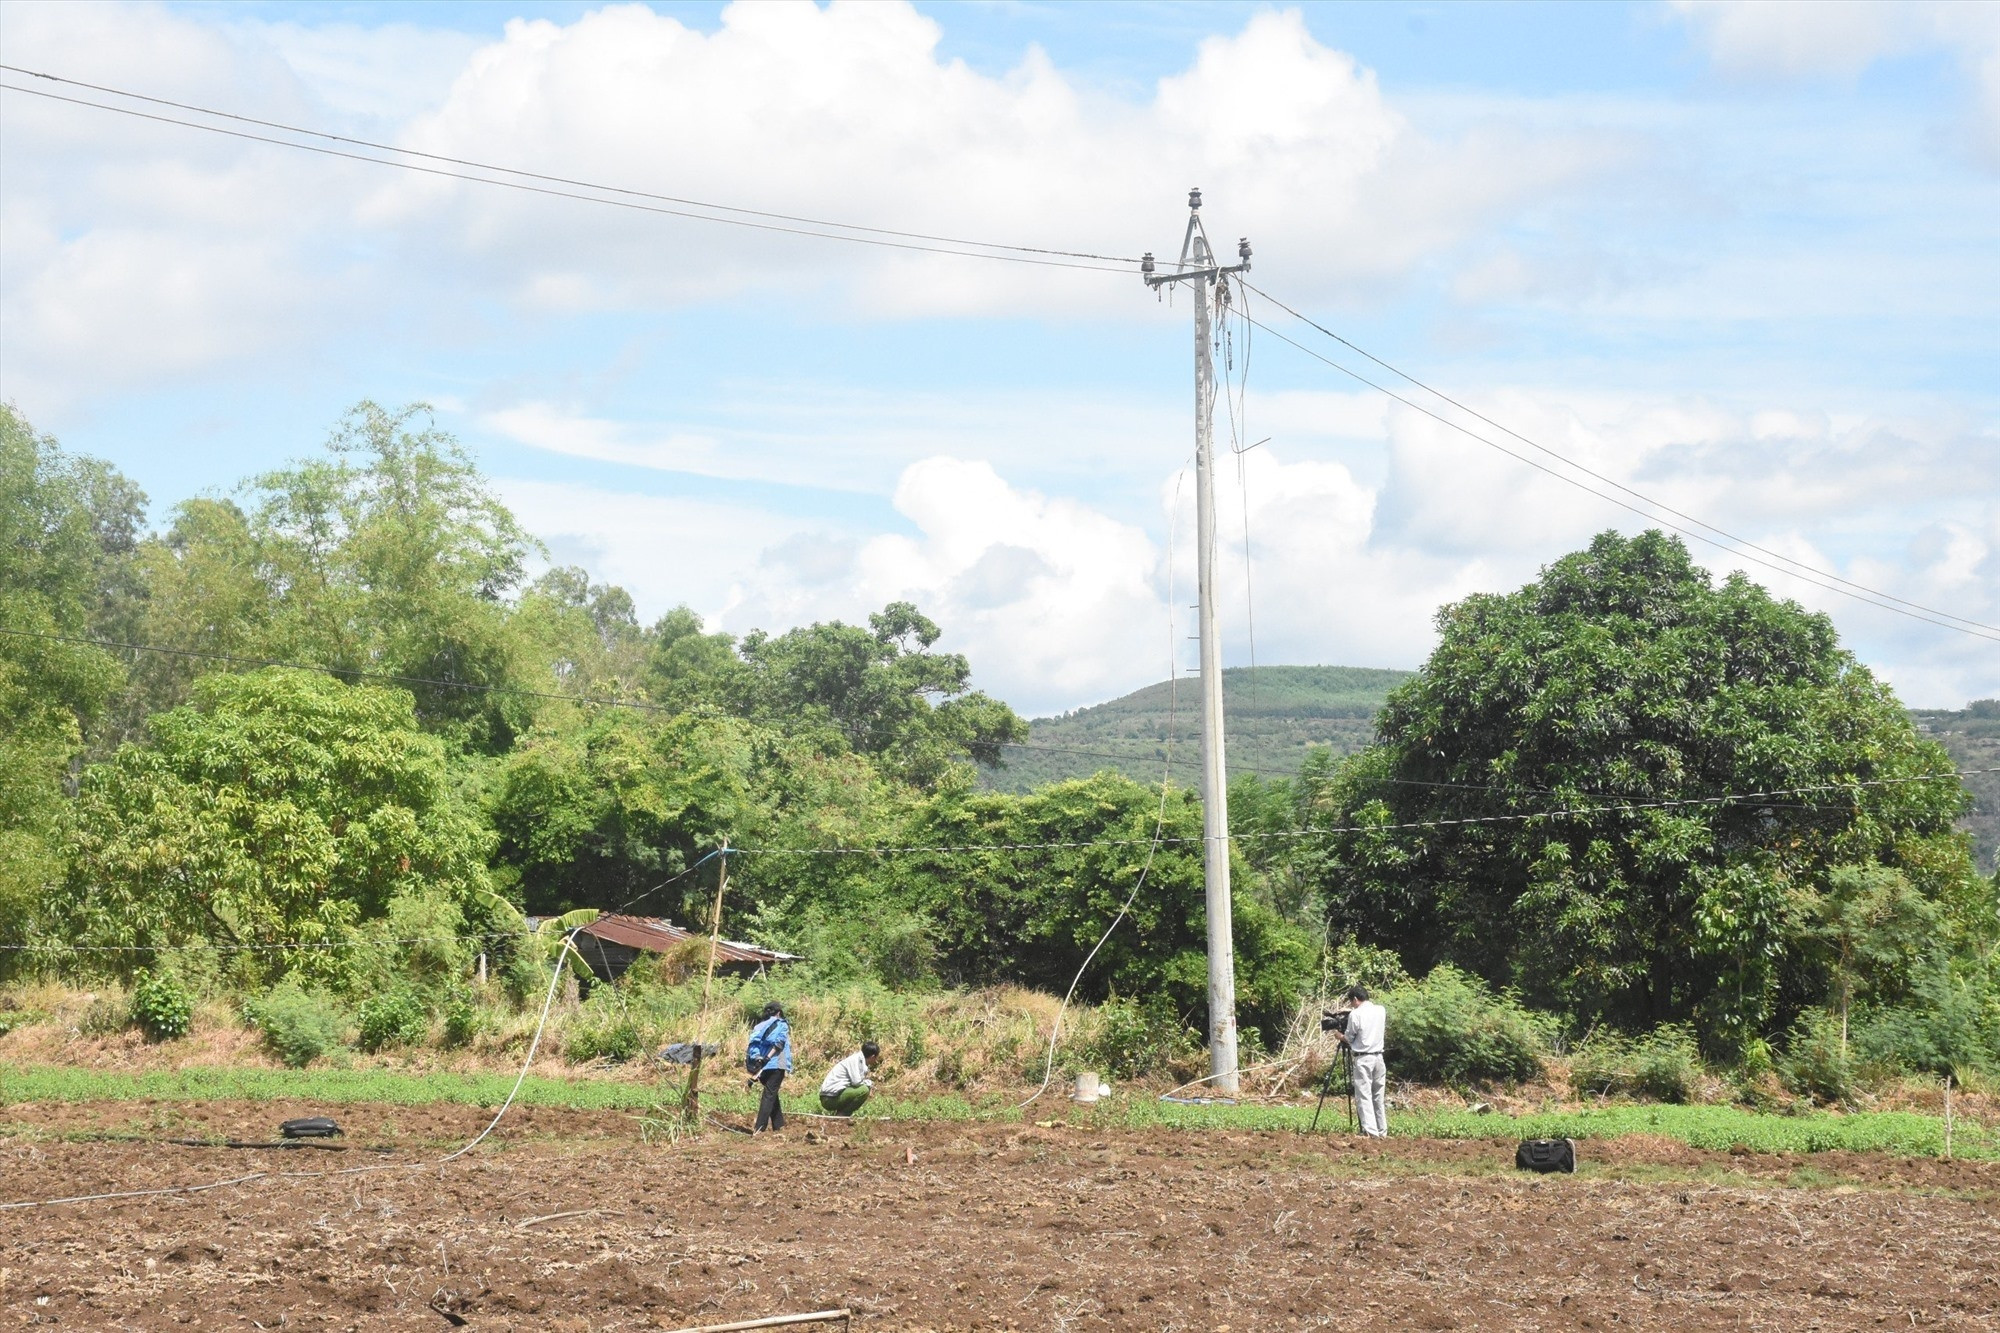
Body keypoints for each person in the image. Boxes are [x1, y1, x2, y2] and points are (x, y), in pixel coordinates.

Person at [1333, 984, 1388, 1138]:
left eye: (1351, 1002)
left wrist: (1339, 1036)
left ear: (1355, 999)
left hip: (1364, 1058)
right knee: (1378, 1095)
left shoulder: (1355, 1015)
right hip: (1379, 1057)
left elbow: (1349, 1038)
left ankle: (1370, 1132)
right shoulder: (1381, 1010)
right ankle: (1382, 1131)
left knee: (1364, 1095)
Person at [746, 1000, 792, 1132]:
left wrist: (758, 1061)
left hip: (760, 1066)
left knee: (772, 1093)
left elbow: (753, 1045)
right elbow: (779, 1044)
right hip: (777, 1062)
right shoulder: (782, 1024)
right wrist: (767, 1058)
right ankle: (759, 1128)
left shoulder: (759, 1026)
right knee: (769, 1094)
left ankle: (779, 1125)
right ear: (779, 1012)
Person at [818, 1041, 879, 1116]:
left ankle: (840, 1114)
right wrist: (870, 1083)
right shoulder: (855, 1060)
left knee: (863, 1087)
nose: (876, 1061)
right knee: (864, 1090)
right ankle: (842, 1115)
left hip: (830, 1097)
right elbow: (857, 1082)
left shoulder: (859, 1060)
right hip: (829, 1099)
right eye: (876, 1058)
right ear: (873, 1056)